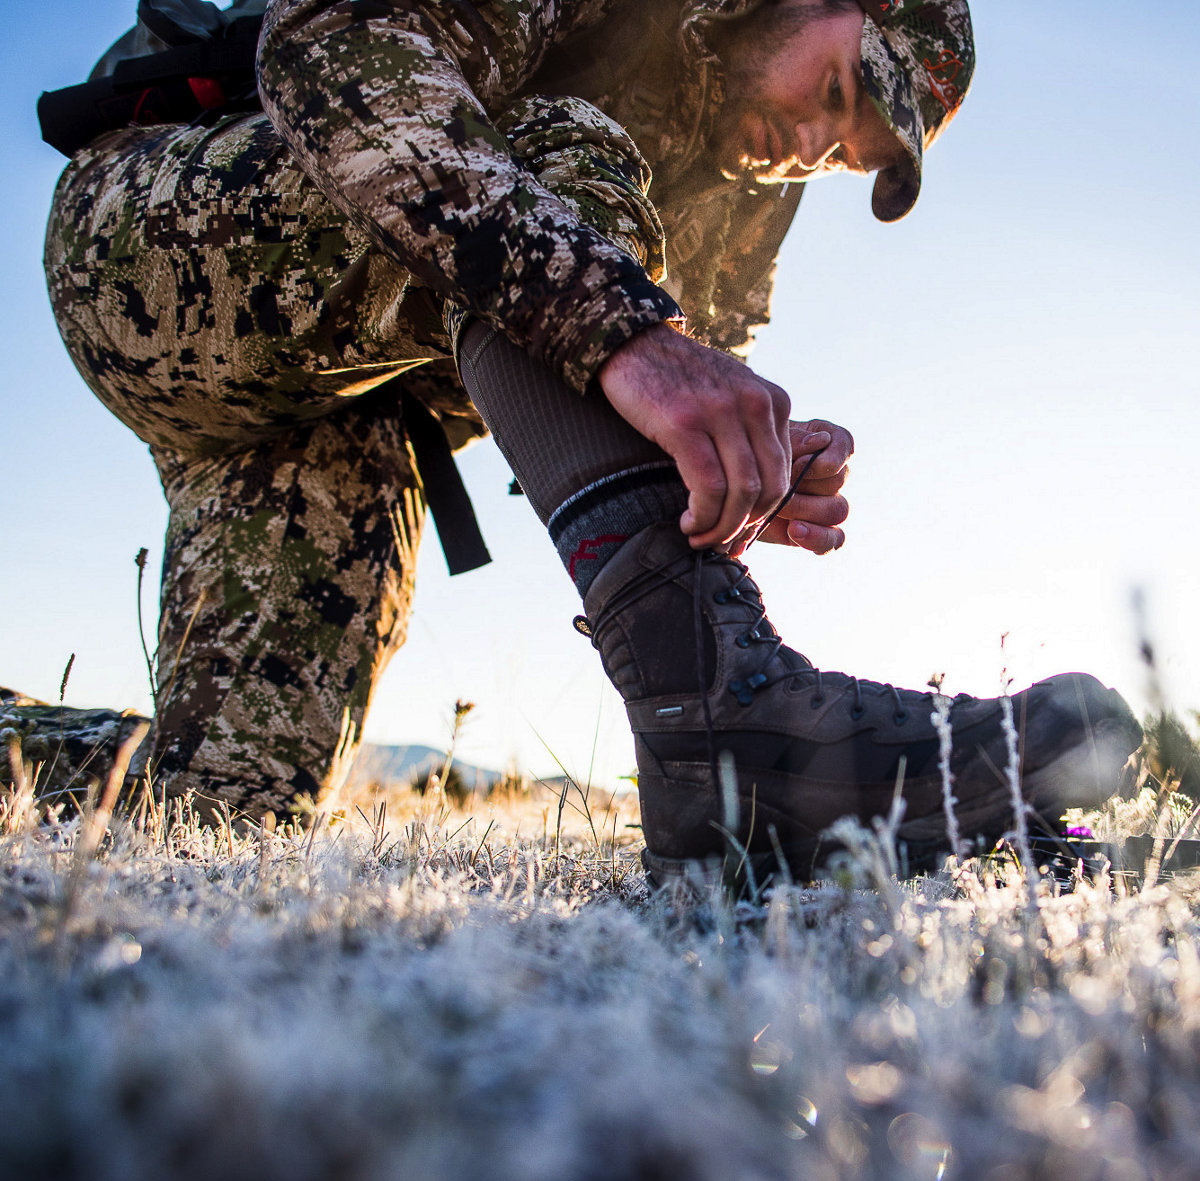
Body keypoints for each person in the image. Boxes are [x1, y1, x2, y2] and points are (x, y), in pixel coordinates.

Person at [36, 0, 1141, 880]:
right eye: (836, 91)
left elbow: (665, 373)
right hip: (164, 245)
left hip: (342, 418)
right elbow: (335, 46)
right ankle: (725, 735)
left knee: (224, 806)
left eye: (839, 155)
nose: (806, 145)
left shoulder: (745, 190)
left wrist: (740, 459)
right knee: (557, 142)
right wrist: (629, 336)